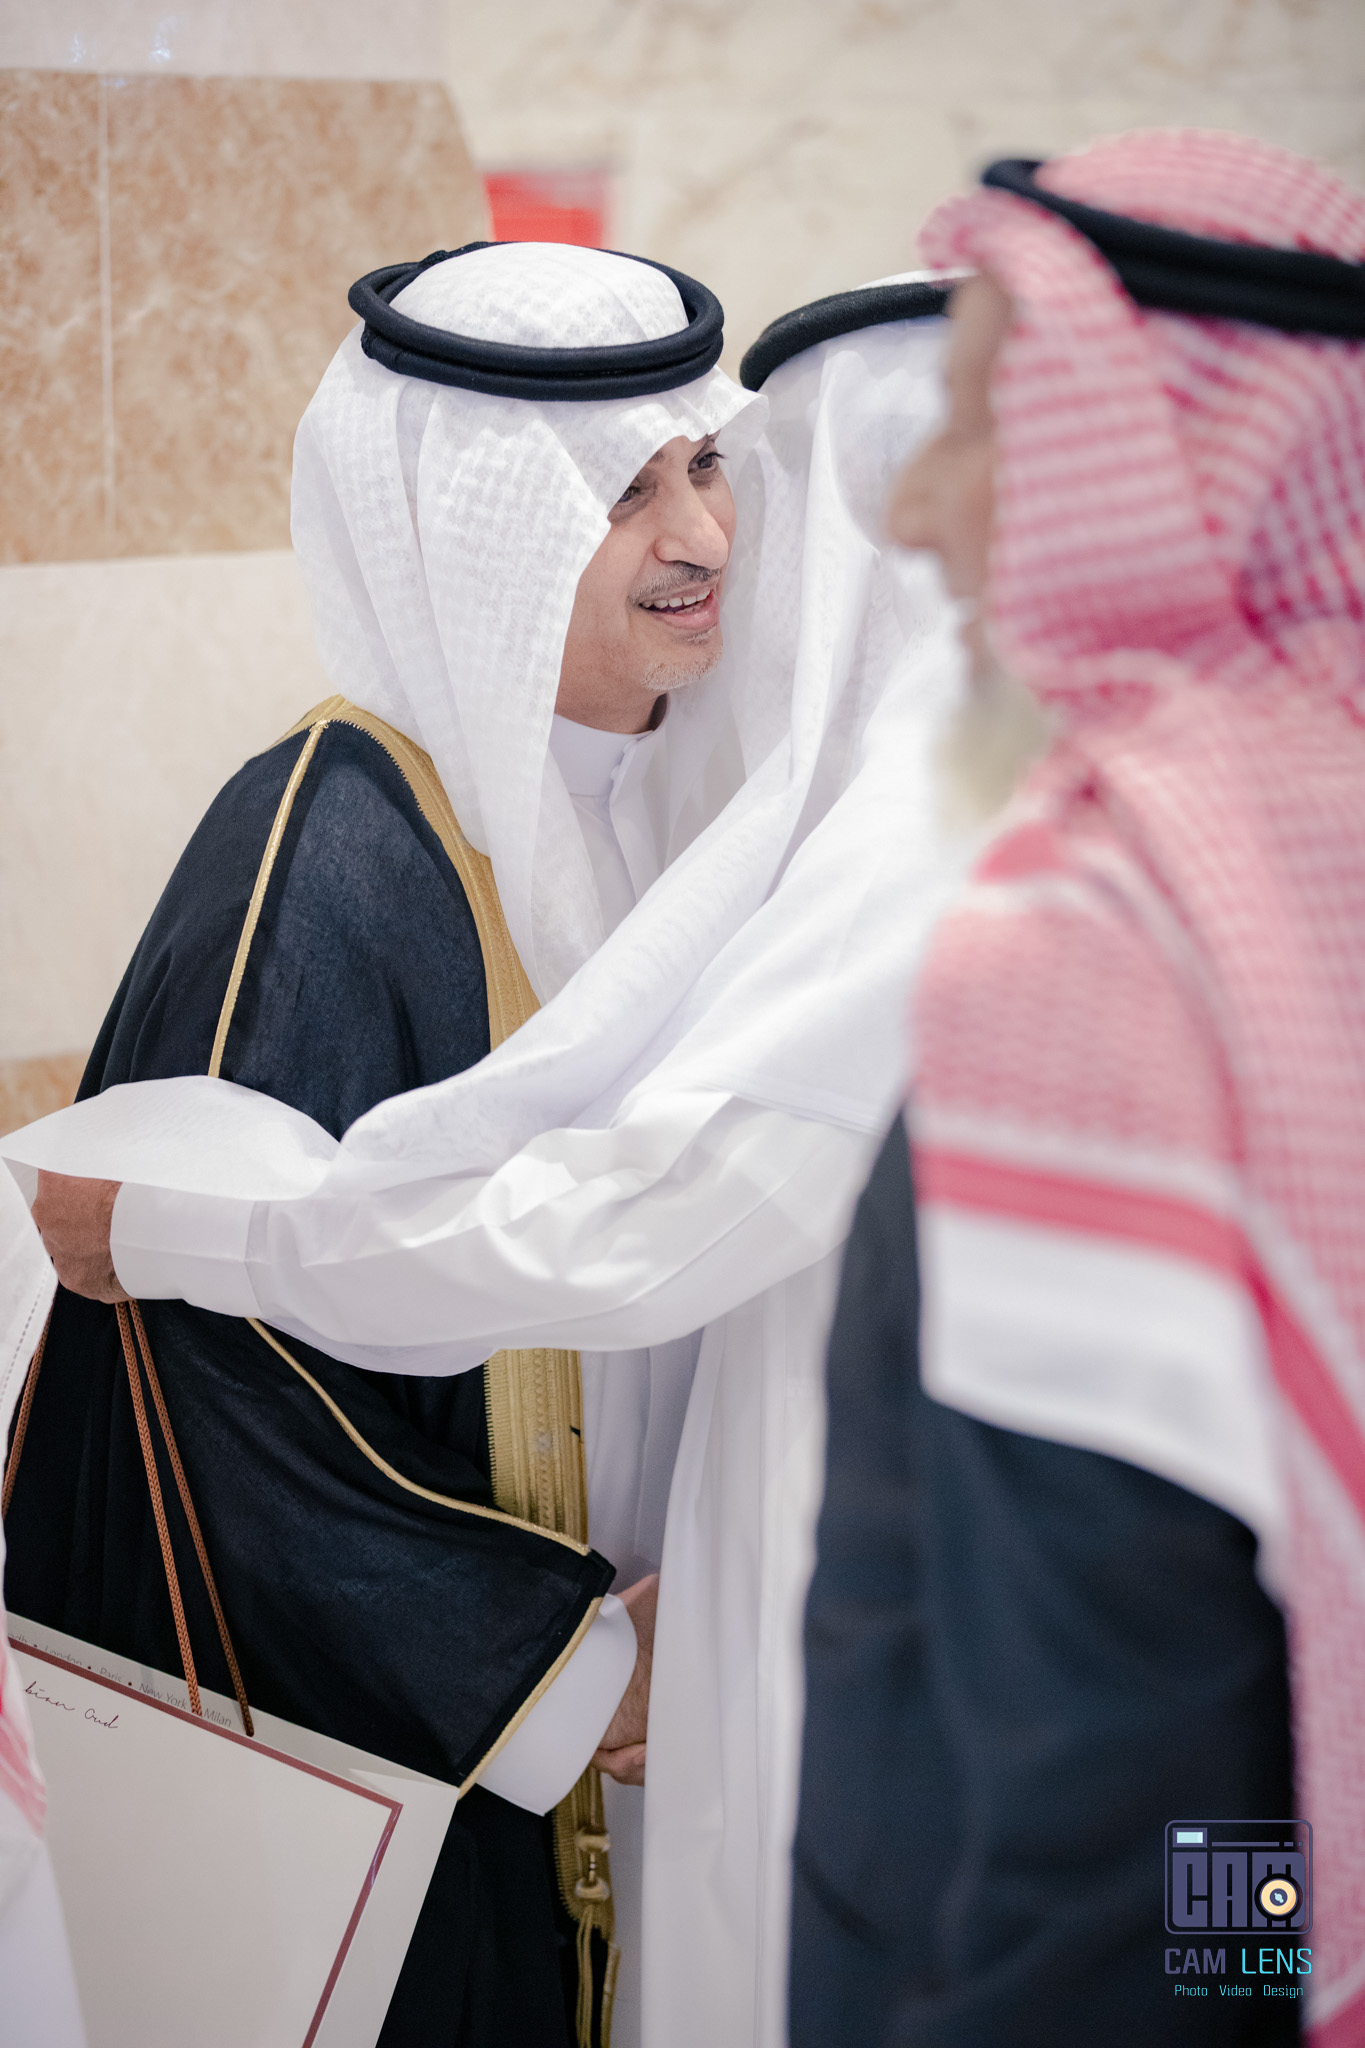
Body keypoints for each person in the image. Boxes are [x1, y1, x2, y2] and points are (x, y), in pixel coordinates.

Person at [12, 276, 966, 2048]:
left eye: (704, 468)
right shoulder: (327, 852)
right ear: (474, 534)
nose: (699, 538)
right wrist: (565, 1668)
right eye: (621, 494)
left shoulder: (679, 814)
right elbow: (203, 1384)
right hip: (427, 1792)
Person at [792, 130, 1365, 2046]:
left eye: (974, 423)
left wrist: (1206, 1982)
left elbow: (1124, 1758)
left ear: (1165, 459)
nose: (911, 514)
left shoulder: (1092, 947)